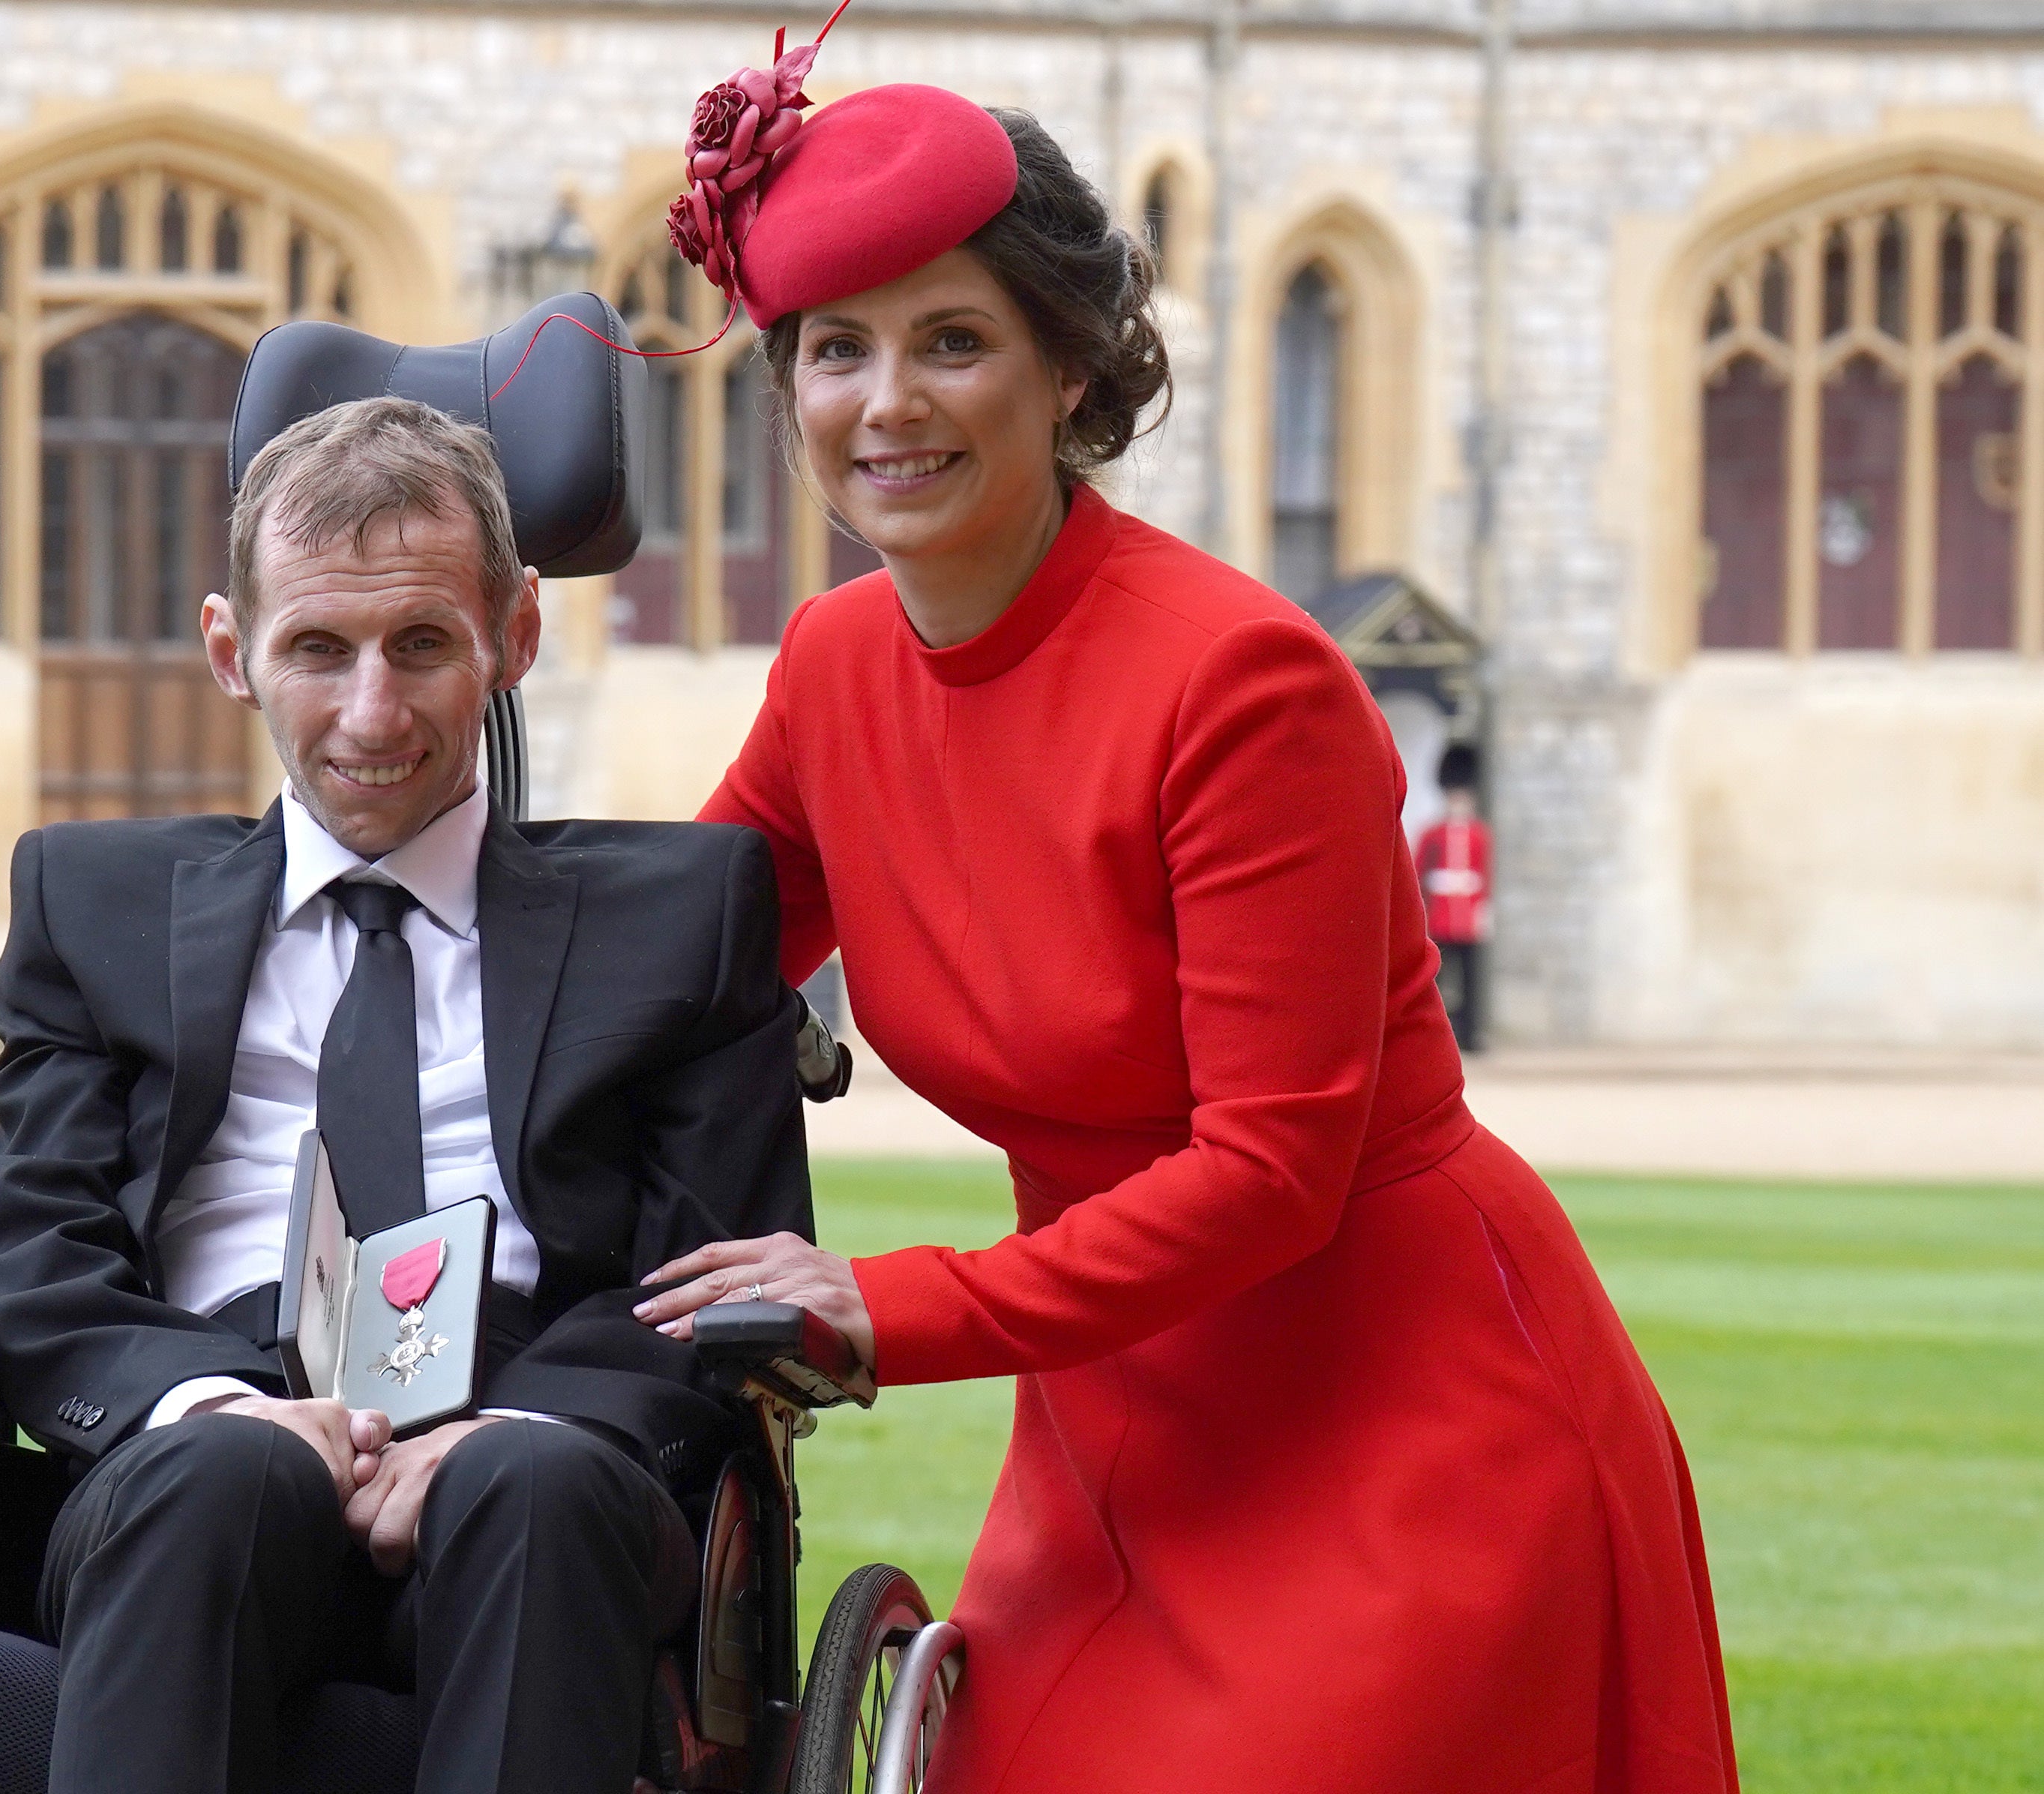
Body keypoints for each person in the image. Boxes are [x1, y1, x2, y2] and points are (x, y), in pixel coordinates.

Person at [626, 57, 1740, 1794]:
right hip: (1112, 1430)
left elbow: (1274, 1171)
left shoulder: (1240, 680)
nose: (886, 399)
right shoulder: (835, 664)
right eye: (836, 346)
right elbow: (665, 966)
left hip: (1401, 1416)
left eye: (953, 338)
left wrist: (886, 1303)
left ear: (1069, 364)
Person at [0, 396, 813, 1794]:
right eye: (317, 650)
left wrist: (524, 1420)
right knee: (215, 1482)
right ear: (234, 650)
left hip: (546, 1437)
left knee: (529, 1489)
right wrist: (207, 1406)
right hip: (206, 1427)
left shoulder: (686, 917)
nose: (371, 711)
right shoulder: (92, 902)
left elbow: (715, 1270)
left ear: (512, 637)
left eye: (420, 644)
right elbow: (23, 1252)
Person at [1416, 742, 1494, 1050]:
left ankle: (1470, 1033)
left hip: (1468, 913)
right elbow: (1420, 871)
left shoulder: (1480, 834)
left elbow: (1484, 875)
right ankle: (1438, 1036)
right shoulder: (1431, 834)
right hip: (1442, 914)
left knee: (1471, 981)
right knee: (1439, 979)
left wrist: (1485, 911)